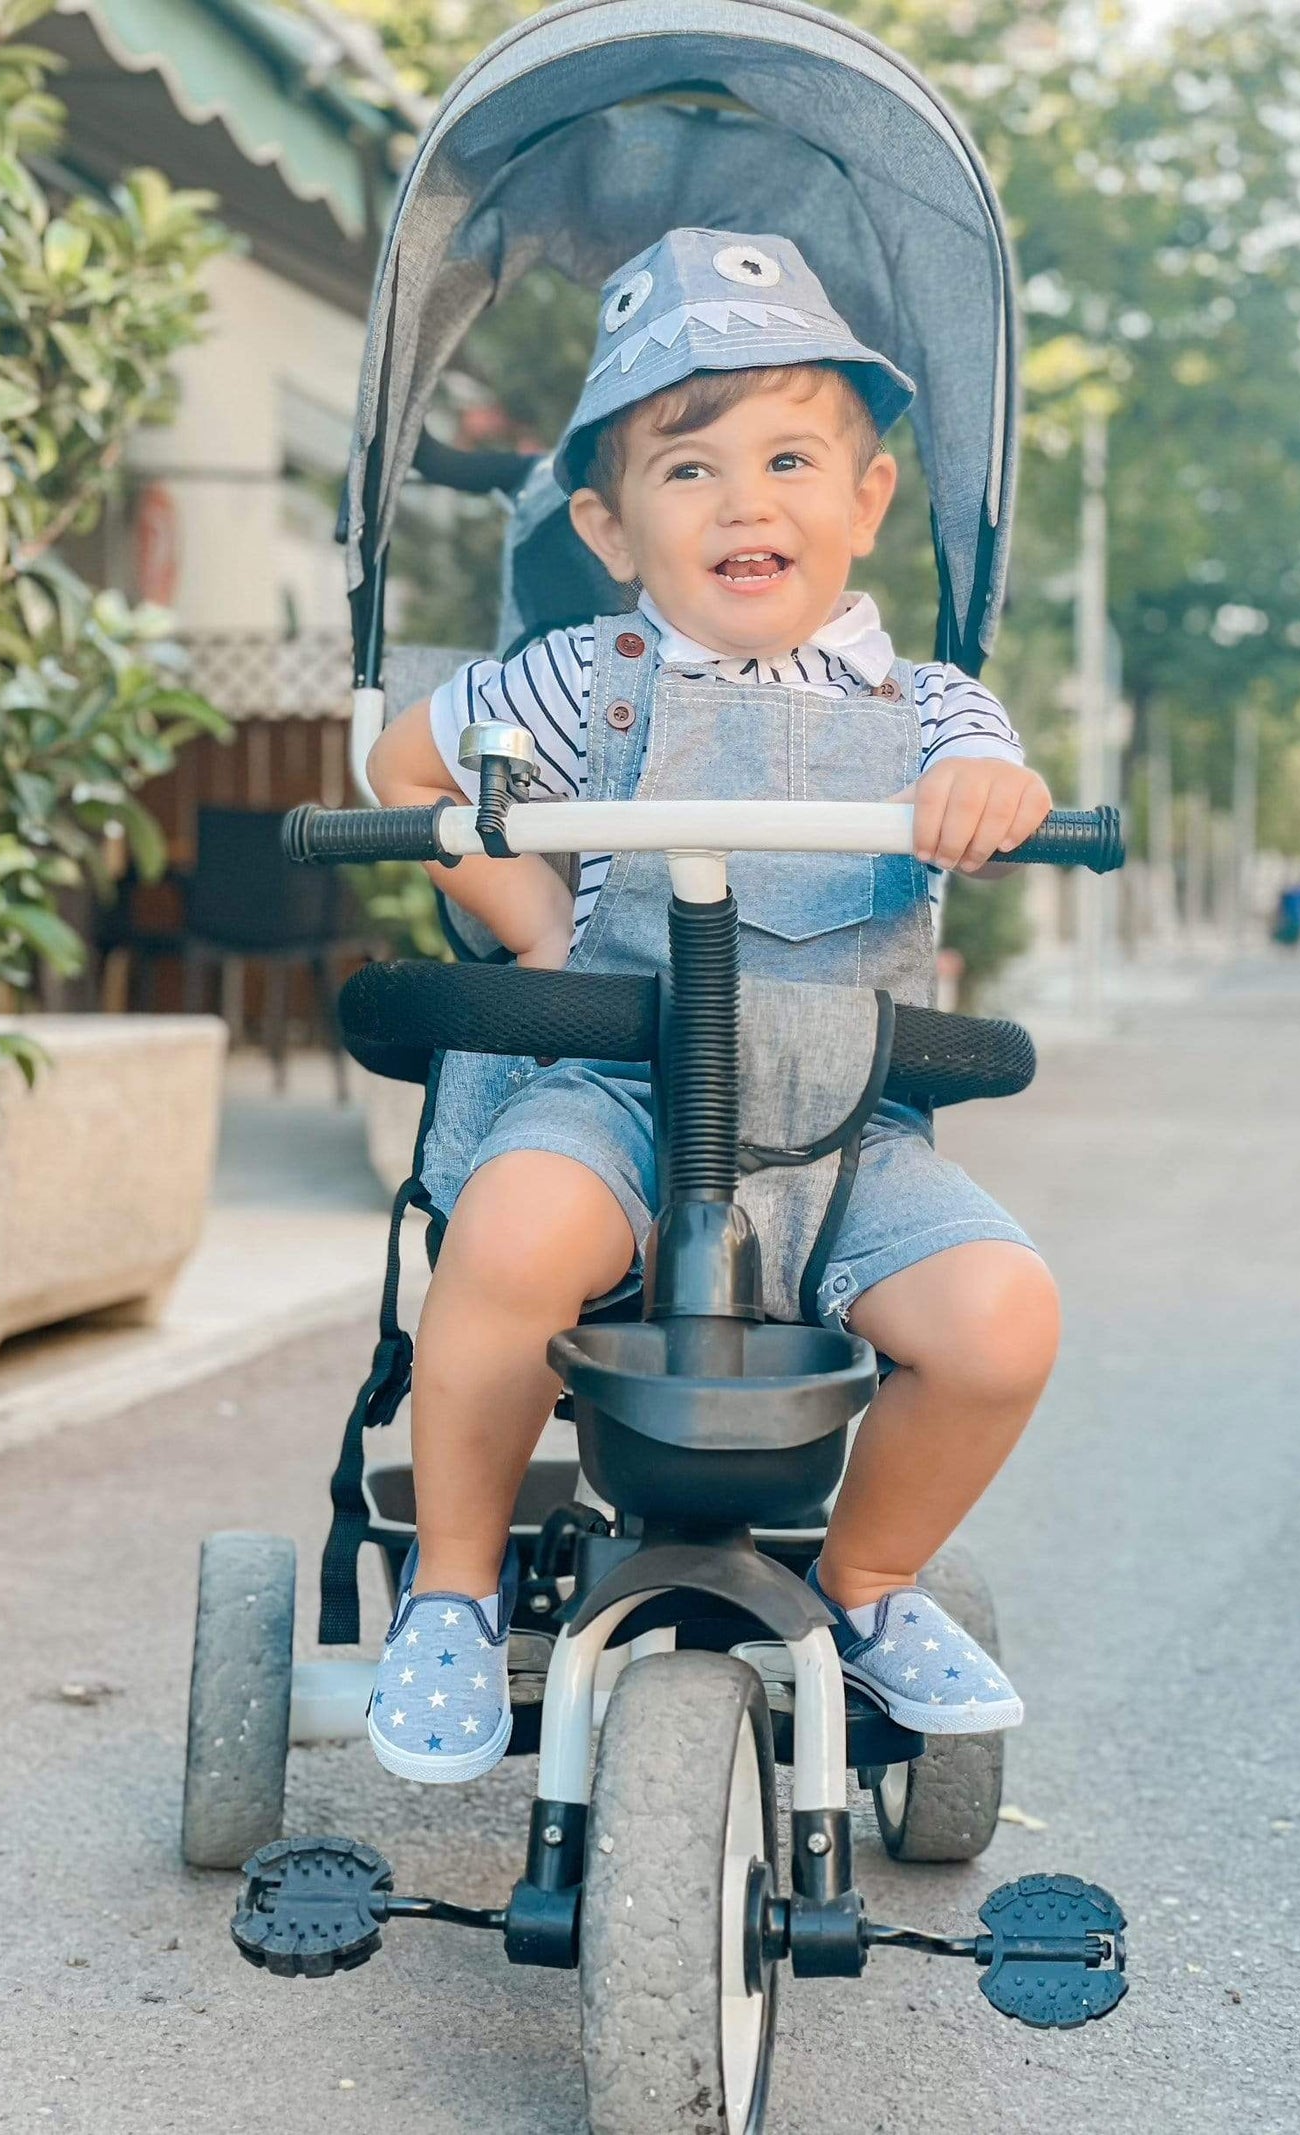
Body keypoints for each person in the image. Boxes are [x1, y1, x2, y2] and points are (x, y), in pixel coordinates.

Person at [365, 229, 1059, 1783]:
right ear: (613, 526)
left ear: (867, 499)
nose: (746, 500)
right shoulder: (582, 675)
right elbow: (406, 770)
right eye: (688, 471)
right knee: (509, 1238)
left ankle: (865, 1586)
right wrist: (538, 934)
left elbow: (1003, 794)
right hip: (618, 1095)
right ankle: (457, 1589)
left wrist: (989, 794)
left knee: (1003, 1319)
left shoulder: (932, 706)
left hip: (841, 1124)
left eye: (793, 457)